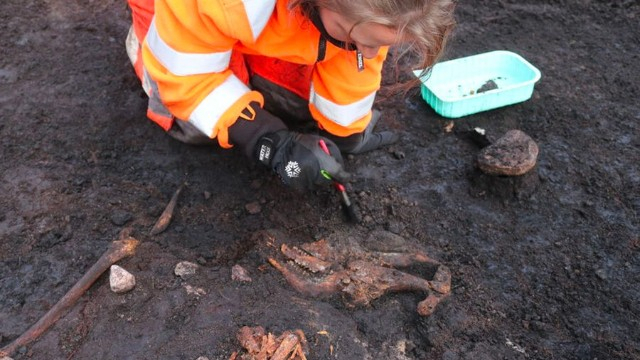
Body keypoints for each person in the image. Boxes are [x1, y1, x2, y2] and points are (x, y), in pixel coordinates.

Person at [125, 0, 456, 191]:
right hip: (184, 15)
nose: (370, 55)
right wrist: (268, 141)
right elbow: (186, 77)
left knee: (294, 104)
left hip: (282, 12)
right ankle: (145, 40)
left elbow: (354, 55)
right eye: (358, 39)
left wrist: (345, 131)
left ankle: (246, 39)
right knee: (197, 126)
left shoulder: (364, 11)